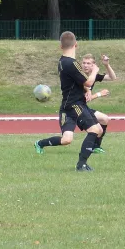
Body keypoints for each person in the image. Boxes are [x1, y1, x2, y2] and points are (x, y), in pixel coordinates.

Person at [34, 31, 103, 171]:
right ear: (76, 44)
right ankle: (81, 164)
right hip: (74, 105)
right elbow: (89, 82)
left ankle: (40, 143)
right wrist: (95, 70)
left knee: (66, 140)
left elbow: (79, 83)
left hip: (68, 106)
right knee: (95, 129)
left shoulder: (61, 61)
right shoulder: (72, 63)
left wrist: (87, 91)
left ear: (61, 46)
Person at [82, 53, 117, 153]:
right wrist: (99, 94)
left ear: (94, 65)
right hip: (76, 108)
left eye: (88, 63)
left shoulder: (93, 76)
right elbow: (85, 99)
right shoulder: (79, 76)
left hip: (84, 107)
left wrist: (106, 65)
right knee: (66, 138)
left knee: (105, 119)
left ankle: (96, 146)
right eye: (84, 63)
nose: (85, 65)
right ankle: (88, 149)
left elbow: (112, 78)